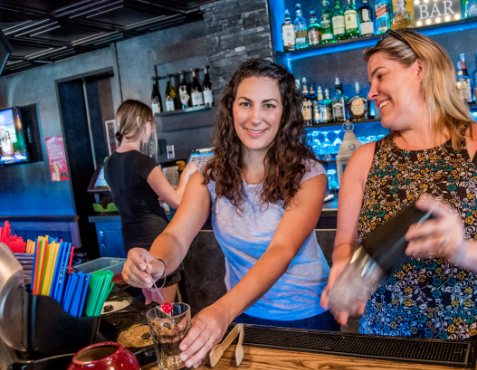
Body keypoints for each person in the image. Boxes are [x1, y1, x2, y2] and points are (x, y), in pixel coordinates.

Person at [320, 30, 477, 345]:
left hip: (476, 343)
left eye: (380, 76)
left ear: (419, 70)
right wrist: (345, 269)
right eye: (370, 82)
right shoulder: (364, 160)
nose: (370, 93)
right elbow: (345, 245)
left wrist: (461, 251)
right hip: (384, 345)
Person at [122, 59, 338, 368]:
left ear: (285, 113)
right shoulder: (207, 175)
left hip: (306, 317)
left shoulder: (309, 175)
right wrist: (156, 264)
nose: (255, 117)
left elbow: (281, 250)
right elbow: (176, 235)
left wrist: (222, 310)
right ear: (231, 109)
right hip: (243, 317)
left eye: (269, 105)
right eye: (246, 103)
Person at [105, 100, 197, 303]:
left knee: (150, 304)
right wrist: (188, 173)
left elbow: (134, 194)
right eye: (150, 124)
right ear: (140, 121)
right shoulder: (142, 161)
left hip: (131, 240)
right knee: (165, 308)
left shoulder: (110, 163)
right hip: (156, 240)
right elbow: (176, 201)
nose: (150, 130)